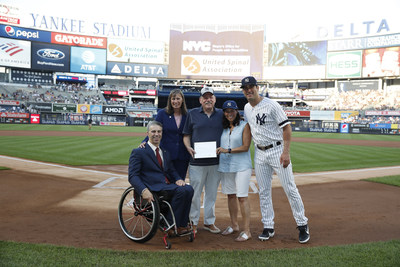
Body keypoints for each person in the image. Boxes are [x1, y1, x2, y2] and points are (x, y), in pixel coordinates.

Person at [240, 76, 310, 244]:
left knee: (290, 188)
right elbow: (250, 127)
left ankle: (302, 225)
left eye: (251, 87)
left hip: (278, 150)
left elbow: (287, 127)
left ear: (257, 88)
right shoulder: (247, 108)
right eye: (245, 88)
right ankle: (268, 226)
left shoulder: (272, 105)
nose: (249, 90)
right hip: (260, 153)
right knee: (263, 191)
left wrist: (286, 152)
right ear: (243, 91)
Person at [128, 121, 194, 234]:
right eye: (153, 131)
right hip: (152, 187)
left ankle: (180, 224)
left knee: (189, 189)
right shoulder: (139, 152)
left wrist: (178, 179)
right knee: (182, 191)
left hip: (165, 186)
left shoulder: (165, 152)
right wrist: (143, 190)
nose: (156, 134)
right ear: (147, 133)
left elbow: (172, 170)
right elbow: (133, 176)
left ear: (162, 133)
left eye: (159, 131)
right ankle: (170, 224)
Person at [183, 87, 223, 234]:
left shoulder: (221, 114)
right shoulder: (192, 113)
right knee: (195, 193)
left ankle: (209, 222)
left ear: (214, 99)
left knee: (211, 194)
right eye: (205, 97)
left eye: (210, 97)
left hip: (216, 161)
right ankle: (193, 222)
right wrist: (188, 147)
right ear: (200, 100)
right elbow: (186, 134)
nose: (208, 99)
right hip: (196, 162)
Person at [216, 100, 253, 242]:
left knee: (242, 197)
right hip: (226, 166)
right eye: (226, 111)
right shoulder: (224, 128)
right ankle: (234, 225)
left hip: (242, 166)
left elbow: (245, 146)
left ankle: (247, 231)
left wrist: (227, 150)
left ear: (236, 111)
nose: (229, 113)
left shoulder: (245, 125)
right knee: (230, 196)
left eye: (232, 111)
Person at [139, 89, 190, 179]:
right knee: (166, 180)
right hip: (166, 154)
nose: (176, 101)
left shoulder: (187, 115)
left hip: (183, 156)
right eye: (173, 99)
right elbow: (154, 128)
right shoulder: (162, 114)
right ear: (170, 100)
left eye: (178, 99)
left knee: (180, 180)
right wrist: (145, 141)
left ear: (182, 100)